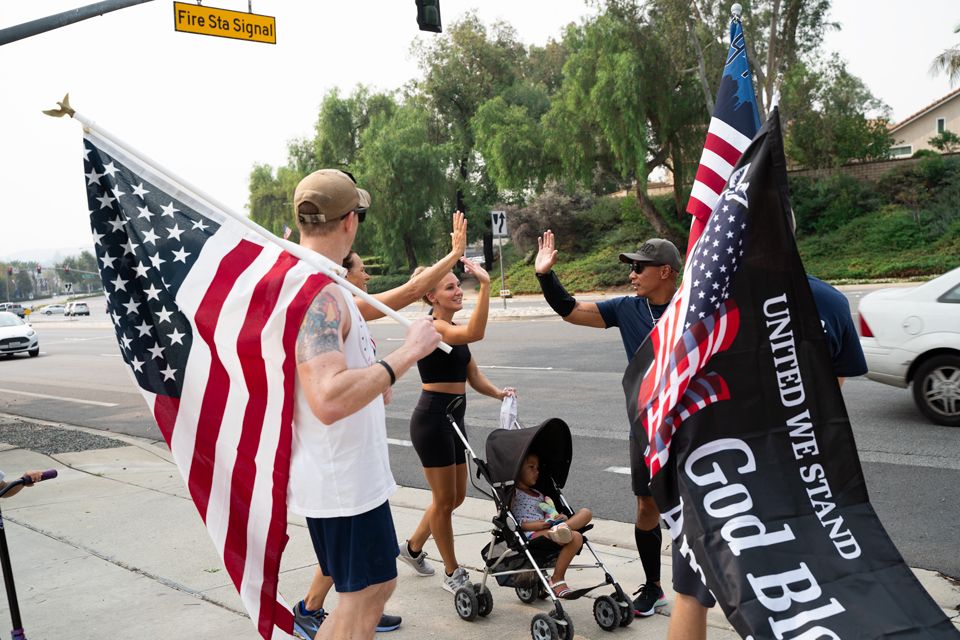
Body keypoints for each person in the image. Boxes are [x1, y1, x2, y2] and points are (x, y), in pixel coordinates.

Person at [292, 211, 468, 638]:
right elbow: (329, 397)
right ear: (350, 221)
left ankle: (315, 612)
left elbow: (409, 291)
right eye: (363, 268)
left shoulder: (330, 289)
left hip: (349, 477)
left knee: (374, 587)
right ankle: (308, 612)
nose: (367, 274)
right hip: (341, 479)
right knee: (368, 590)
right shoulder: (322, 294)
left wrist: (454, 254)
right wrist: (406, 355)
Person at [667, 274, 868, 640]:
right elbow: (831, 391)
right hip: (798, 473)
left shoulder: (703, 298)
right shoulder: (829, 301)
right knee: (800, 593)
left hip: (718, 472)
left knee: (694, 591)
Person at [534, 230, 681, 617]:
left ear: (665, 271)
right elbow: (570, 310)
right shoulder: (628, 309)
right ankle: (653, 588)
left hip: (690, 424)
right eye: (630, 267)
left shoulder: (692, 308)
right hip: (645, 426)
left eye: (639, 267)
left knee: (700, 506)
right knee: (646, 504)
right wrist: (545, 276)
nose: (632, 274)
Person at [398, 259, 516, 593]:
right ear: (431, 296)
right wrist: (487, 286)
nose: (457, 291)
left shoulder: (452, 327)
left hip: (455, 418)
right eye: (449, 287)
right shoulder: (436, 328)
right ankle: (452, 572)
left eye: (457, 285)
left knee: (454, 498)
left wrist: (497, 393)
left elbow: (472, 374)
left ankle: (412, 548)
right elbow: (476, 333)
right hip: (432, 419)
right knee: (444, 500)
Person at [511, 452, 593, 598]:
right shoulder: (513, 493)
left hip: (552, 527)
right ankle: (557, 579)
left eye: (537, 468)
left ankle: (563, 527)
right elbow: (515, 522)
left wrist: (559, 517)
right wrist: (536, 525)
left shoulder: (540, 494)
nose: (537, 471)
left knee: (585, 515)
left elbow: (549, 512)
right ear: (517, 469)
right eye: (531, 467)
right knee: (575, 536)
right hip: (533, 533)